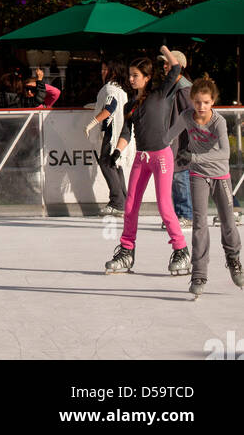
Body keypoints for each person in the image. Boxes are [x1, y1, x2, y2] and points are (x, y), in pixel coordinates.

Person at [103, 46, 191, 277]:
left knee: (164, 204)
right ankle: (126, 251)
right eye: (130, 75)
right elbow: (125, 133)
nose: (131, 79)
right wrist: (116, 153)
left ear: (147, 77)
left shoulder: (161, 94)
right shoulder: (129, 106)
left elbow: (176, 67)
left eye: (136, 76)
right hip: (141, 158)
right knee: (130, 206)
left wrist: (164, 49)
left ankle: (181, 250)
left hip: (161, 156)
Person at [168, 75, 244, 298]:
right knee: (200, 224)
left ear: (213, 102)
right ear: (192, 100)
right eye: (198, 102)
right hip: (198, 176)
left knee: (228, 222)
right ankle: (199, 273)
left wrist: (195, 157)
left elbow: (225, 153)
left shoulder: (218, 121)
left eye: (206, 102)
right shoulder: (186, 116)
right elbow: (168, 136)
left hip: (221, 176)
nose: (201, 106)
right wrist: (154, 147)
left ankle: (233, 259)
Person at [85, 60, 130, 215]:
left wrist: (92, 123)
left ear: (114, 71)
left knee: (107, 163)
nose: (102, 72)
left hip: (112, 133)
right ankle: (124, 200)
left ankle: (117, 202)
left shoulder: (109, 88)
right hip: (120, 131)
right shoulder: (120, 89)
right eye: (102, 69)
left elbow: (110, 107)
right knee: (115, 165)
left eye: (106, 69)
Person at [163, 49, 193, 232]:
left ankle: (186, 215)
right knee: (173, 178)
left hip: (180, 143)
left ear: (178, 65)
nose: (165, 66)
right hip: (172, 141)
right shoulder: (172, 85)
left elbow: (190, 116)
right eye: (164, 63)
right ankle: (178, 214)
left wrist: (189, 145)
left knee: (179, 176)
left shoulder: (183, 87)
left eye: (168, 63)